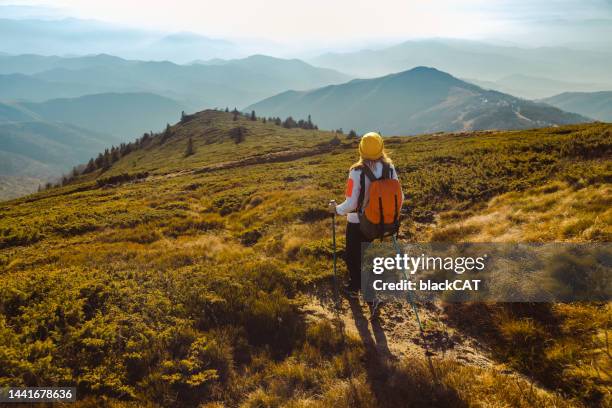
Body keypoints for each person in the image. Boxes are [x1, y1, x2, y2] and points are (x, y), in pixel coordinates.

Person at [328, 132, 402, 298]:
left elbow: (352, 203)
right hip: (381, 222)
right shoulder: (390, 168)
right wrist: (389, 214)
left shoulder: (356, 171)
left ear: (361, 150)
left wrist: (336, 209)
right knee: (367, 254)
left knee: (353, 257)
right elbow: (400, 197)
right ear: (381, 148)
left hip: (357, 223)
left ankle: (355, 288)